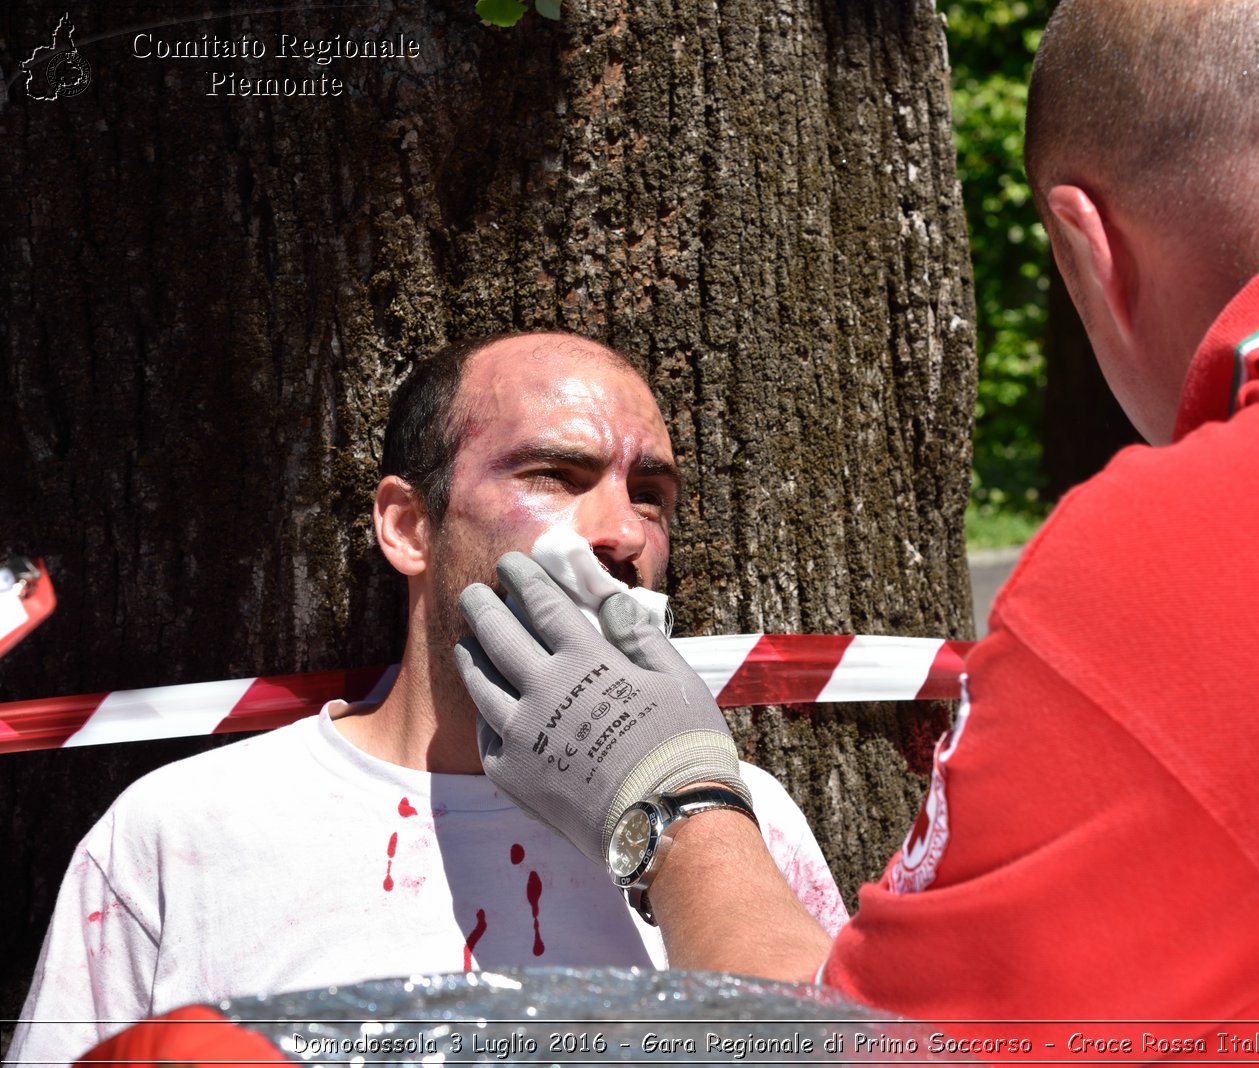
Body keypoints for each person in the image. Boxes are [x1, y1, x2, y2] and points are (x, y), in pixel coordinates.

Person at [452, 1, 1259, 1060]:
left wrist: (670, 799)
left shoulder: (1166, 576)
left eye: (649, 486)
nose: (613, 533)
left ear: (1086, 245)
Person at [5, 332, 847, 1065]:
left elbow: (844, 1054)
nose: (623, 532)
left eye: (650, 496)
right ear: (409, 527)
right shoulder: (179, 833)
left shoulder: (736, 819)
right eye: (556, 475)